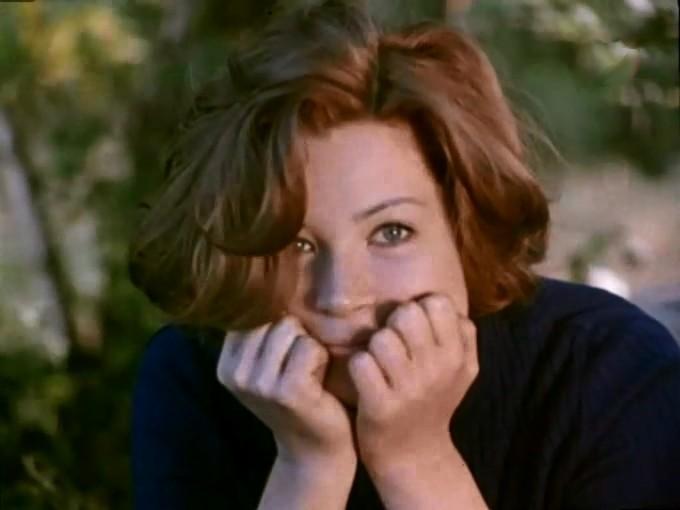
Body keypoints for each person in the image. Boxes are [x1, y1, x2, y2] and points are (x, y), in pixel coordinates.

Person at [128, 1, 680, 509]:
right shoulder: (191, 380)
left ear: (463, 229)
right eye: (297, 244)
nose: (340, 296)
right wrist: (307, 469)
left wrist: (415, 459)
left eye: (391, 233)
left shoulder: (609, 370)